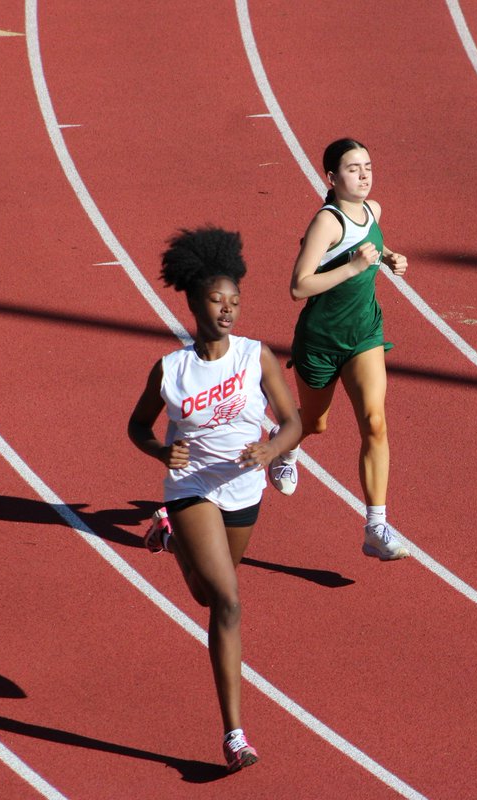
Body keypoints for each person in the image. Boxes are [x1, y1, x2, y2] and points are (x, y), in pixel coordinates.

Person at [127, 226, 301, 773]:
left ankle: (171, 537)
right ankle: (235, 734)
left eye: (235, 302)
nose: (228, 310)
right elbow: (136, 427)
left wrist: (271, 448)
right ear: (194, 302)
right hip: (193, 488)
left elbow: (294, 423)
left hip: (244, 489)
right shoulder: (172, 370)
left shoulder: (256, 357)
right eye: (217, 301)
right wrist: (161, 453)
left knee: (206, 597)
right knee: (228, 603)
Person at [267, 138, 410, 561]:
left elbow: (369, 243)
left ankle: (376, 527)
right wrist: (354, 266)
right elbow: (298, 286)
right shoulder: (326, 223)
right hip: (321, 343)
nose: (364, 175)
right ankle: (286, 444)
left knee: (375, 421)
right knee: (314, 424)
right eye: (353, 168)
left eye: (368, 165)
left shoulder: (374, 210)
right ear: (332, 178)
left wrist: (388, 257)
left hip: (365, 333)